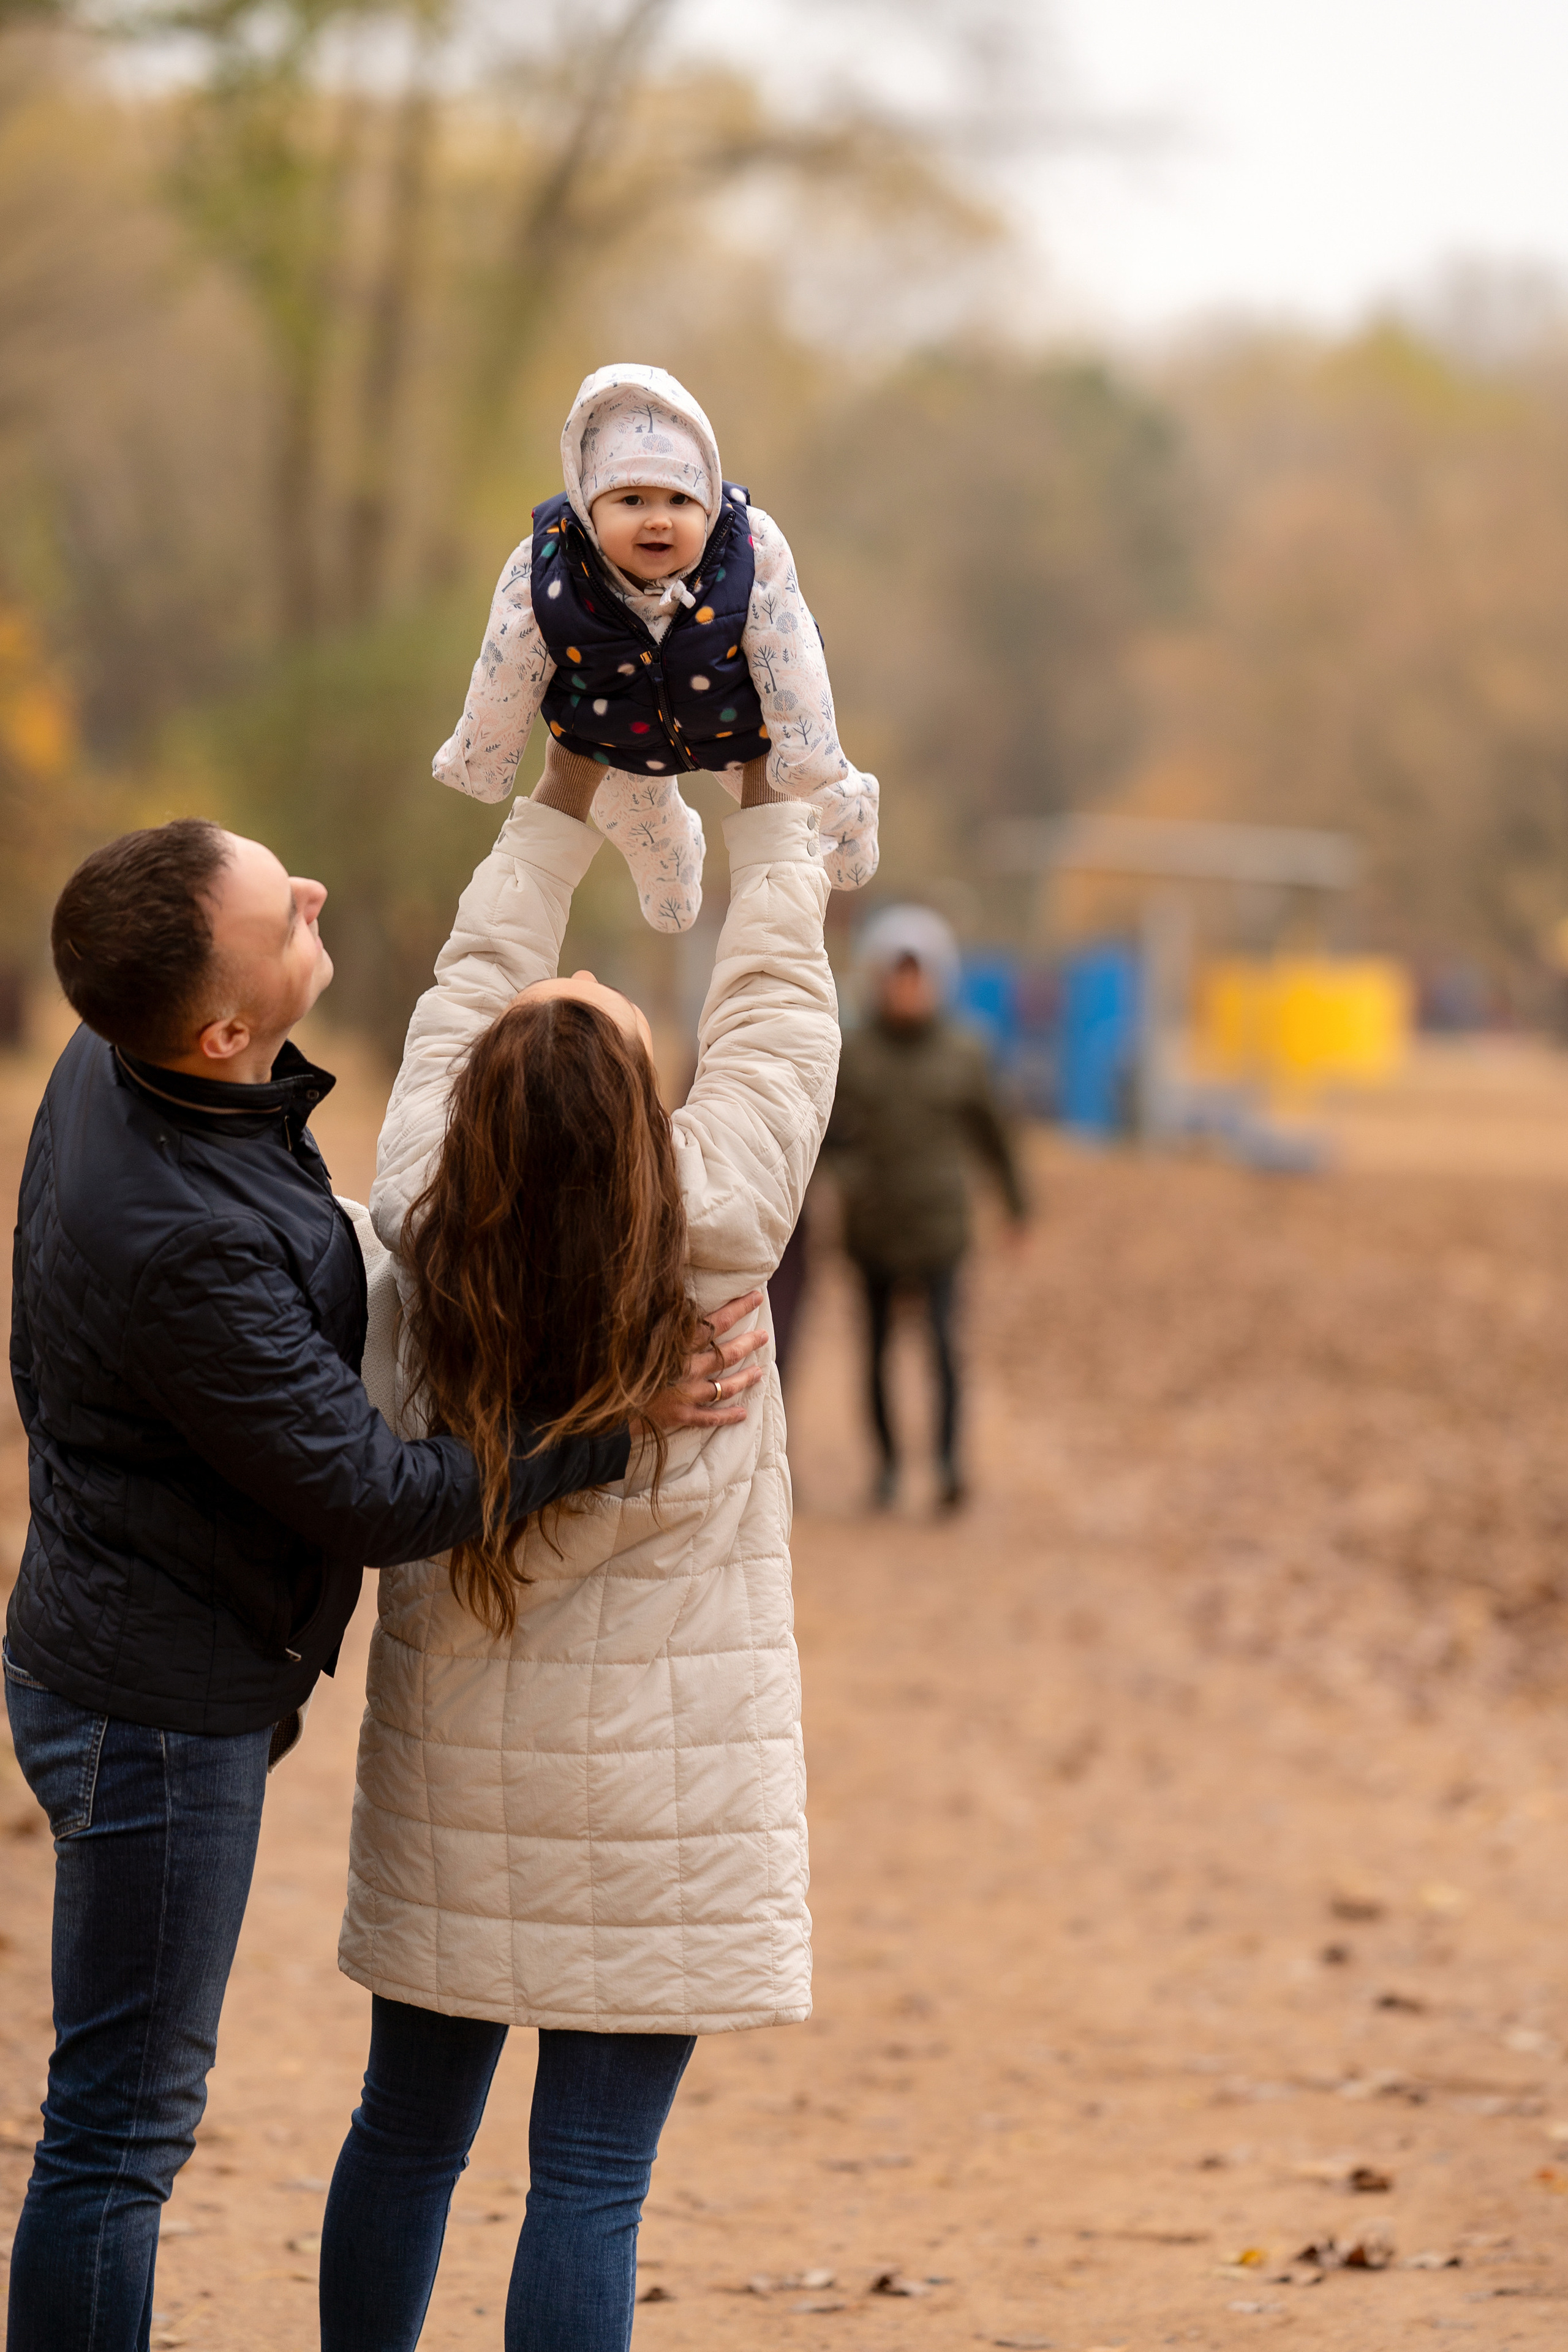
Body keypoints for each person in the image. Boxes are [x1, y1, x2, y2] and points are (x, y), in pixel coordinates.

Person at [2, 819, 765, 2352]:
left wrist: (552, 799)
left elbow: (421, 1105)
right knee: (121, 2130)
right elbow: (370, 1490)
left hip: (125, 1634)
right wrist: (597, 1429)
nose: (314, 891)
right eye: (278, 912)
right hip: (149, 1705)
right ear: (224, 1028)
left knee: (155, 2121)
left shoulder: (128, 1056)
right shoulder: (188, 1240)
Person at [317, 744, 839, 2351]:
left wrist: (555, 804)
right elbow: (776, 1012)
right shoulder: (721, 1218)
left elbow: (473, 983)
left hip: (460, 1769)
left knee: (407, 2134)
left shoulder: (423, 1213)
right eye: (611, 1008)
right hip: (666, 1795)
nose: (602, 980)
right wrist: (775, 805)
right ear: (642, 1124)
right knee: (592, 2177)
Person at [432, 359, 878, 930]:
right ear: (588, 508)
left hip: (741, 727)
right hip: (609, 733)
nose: (659, 521)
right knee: (636, 823)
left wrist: (815, 763)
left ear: (709, 503)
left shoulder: (746, 551)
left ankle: (852, 813)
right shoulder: (548, 571)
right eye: (632, 501)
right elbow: (505, 668)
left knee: (791, 815)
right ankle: (671, 857)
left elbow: (793, 659)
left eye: (679, 500)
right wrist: (482, 758)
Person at [827, 905, 1029, 1512]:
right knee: (876, 1352)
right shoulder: (853, 1052)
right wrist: (845, 1181)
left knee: (943, 1348)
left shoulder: (965, 1053)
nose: (907, 988)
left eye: (918, 975)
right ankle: (887, 1468)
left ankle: (946, 1466)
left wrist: (1017, 1206)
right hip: (872, 1229)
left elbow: (994, 1134)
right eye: (897, 974)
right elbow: (823, 1138)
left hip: (942, 1228)